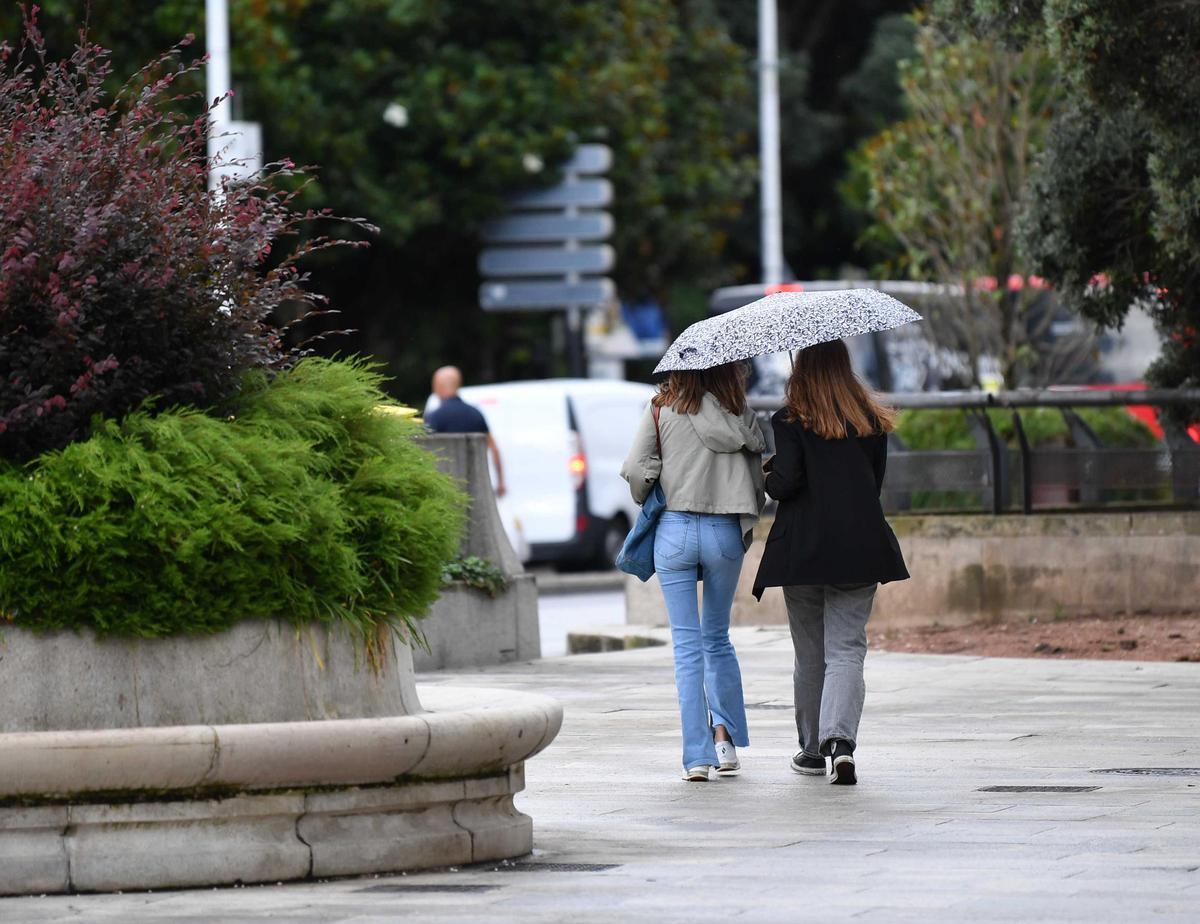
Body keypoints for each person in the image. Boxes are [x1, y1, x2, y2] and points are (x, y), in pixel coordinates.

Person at [753, 339, 909, 785]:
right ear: (846, 368)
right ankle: (840, 745)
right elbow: (873, 483)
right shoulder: (869, 420)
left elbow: (785, 485)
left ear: (801, 368)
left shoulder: (790, 419)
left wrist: (769, 471)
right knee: (846, 649)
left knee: (810, 654)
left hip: (802, 551)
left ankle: (811, 750)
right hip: (860, 547)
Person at [621, 362, 765, 782]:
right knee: (716, 637)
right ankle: (725, 741)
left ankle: (696, 758)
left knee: (686, 647)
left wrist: (651, 484)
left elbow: (635, 467)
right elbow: (757, 470)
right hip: (724, 530)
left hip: (675, 531)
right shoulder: (739, 411)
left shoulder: (661, 409)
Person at [425, 366, 506, 497]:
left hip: (446, 485)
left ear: (439, 386)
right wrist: (501, 482)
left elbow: (426, 452)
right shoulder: (476, 414)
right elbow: (494, 449)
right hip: (477, 484)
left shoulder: (434, 417)